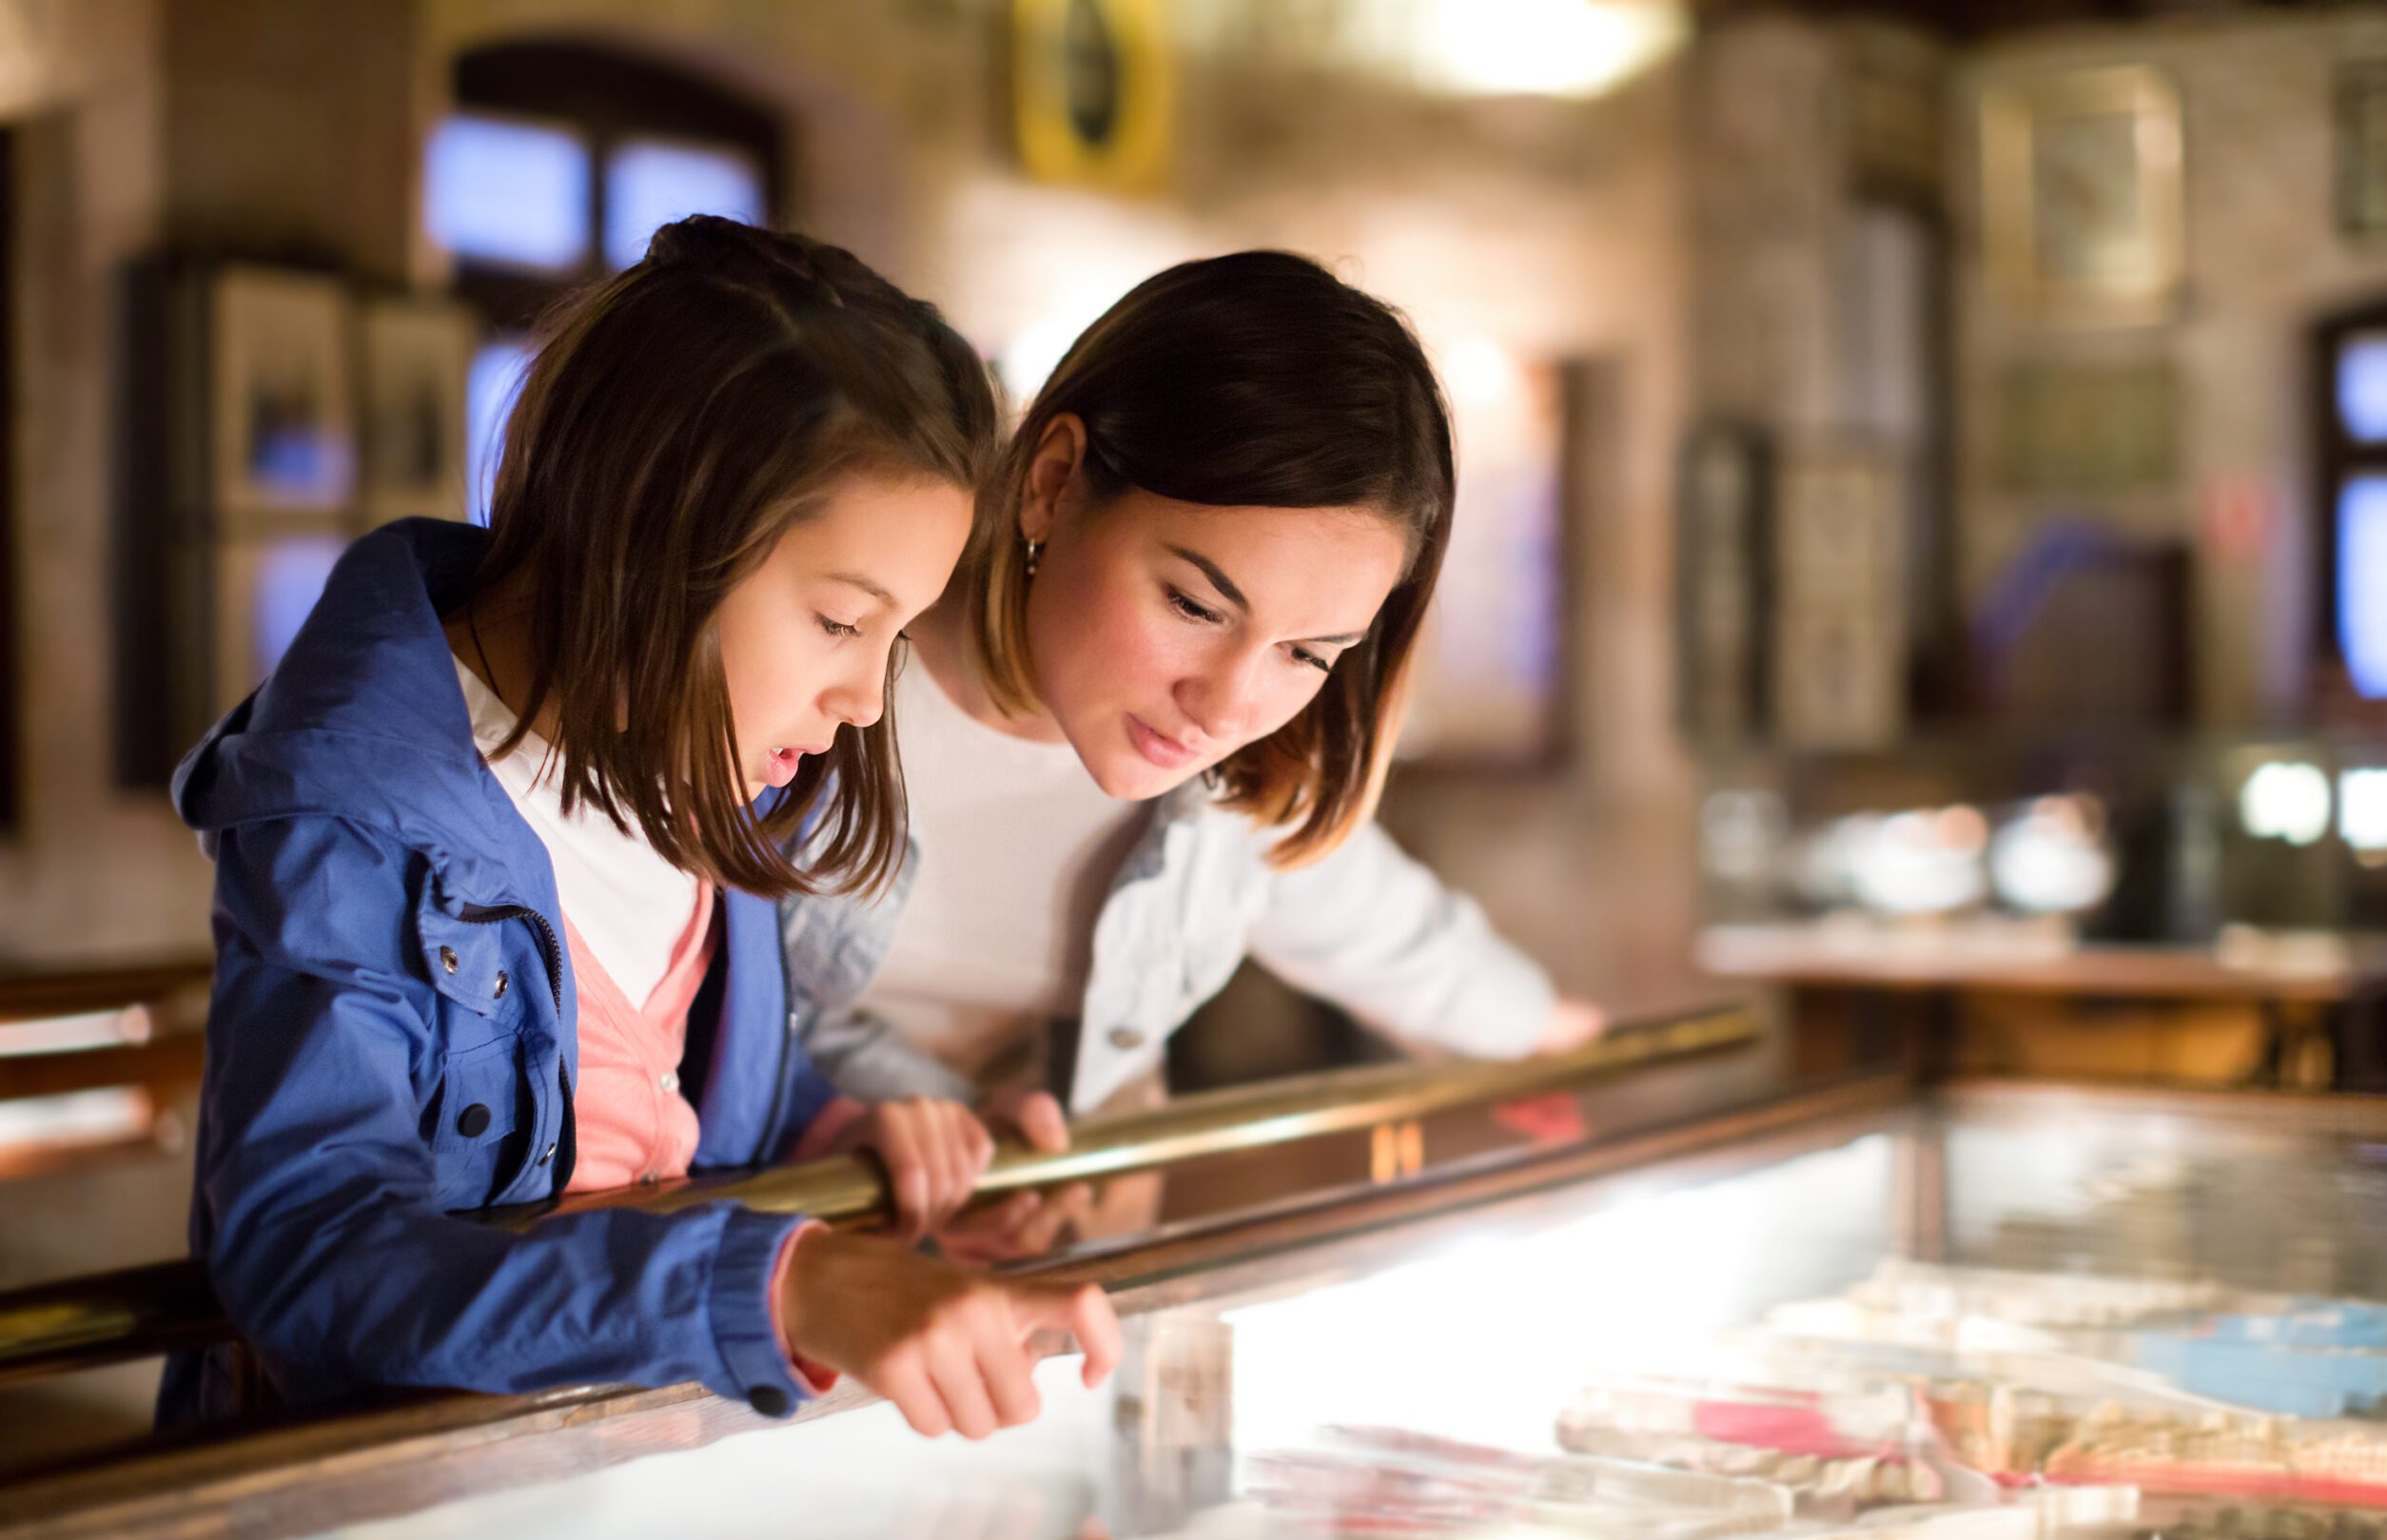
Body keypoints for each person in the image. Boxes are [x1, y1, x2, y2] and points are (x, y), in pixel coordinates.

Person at [160, 219, 1118, 1441]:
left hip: (618, 1497)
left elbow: (656, 1102)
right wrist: (784, 1282)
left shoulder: (712, 771)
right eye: (839, 622)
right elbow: (313, 1254)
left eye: (895, 636)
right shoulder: (353, 823)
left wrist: (846, 1140)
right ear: (653, 536)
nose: (867, 702)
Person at [783, 251, 1605, 1190]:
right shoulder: (807, 697)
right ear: (1053, 481)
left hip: (1046, 1245)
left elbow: (1400, 942)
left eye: (1306, 654)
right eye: (1195, 607)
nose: (1226, 708)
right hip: (785, 1236)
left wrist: (1562, 1042)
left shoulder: (1242, 797)